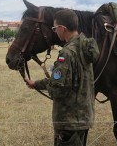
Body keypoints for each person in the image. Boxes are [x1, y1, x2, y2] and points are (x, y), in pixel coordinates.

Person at [25, 9, 97, 146]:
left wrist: (50, 86)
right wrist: (36, 84)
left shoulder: (67, 53)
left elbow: (57, 89)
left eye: (54, 28)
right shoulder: (85, 46)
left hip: (68, 121)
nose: (54, 31)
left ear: (62, 28)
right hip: (83, 117)